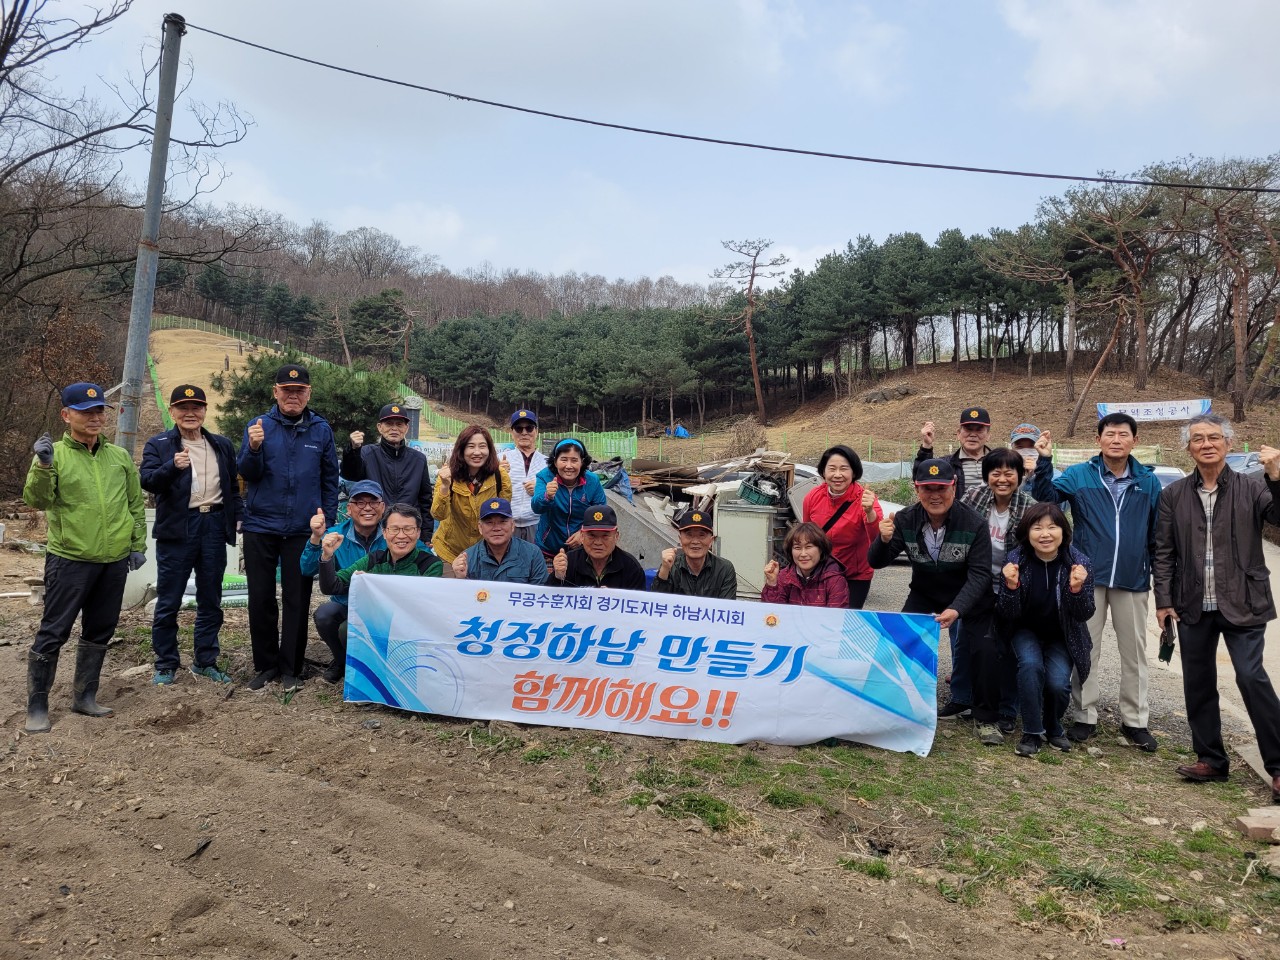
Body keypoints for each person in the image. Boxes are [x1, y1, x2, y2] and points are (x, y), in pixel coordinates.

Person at [1153, 416, 1280, 801]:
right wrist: (1163, 600)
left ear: (1227, 443)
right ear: (1188, 448)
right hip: (1192, 602)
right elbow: (1163, 552)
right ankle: (1210, 758)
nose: (1206, 444)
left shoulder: (1253, 486)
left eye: (1214, 438)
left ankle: (1277, 765)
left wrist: (1277, 477)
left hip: (1244, 598)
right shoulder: (1173, 494)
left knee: (1250, 675)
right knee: (1198, 680)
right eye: (1197, 439)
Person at [1031, 413, 1163, 750]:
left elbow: (1156, 536)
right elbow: (1046, 499)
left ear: (1134, 440)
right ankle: (1084, 714)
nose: (1116, 440)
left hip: (1132, 579)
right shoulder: (1079, 475)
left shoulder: (1148, 481)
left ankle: (1135, 720)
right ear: (1098, 440)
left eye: (1123, 434)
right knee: (1086, 647)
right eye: (1109, 434)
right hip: (1087, 576)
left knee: (1134, 652)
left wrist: (1156, 577)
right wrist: (1045, 461)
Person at [22, 382, 147, 732]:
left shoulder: (119, 457)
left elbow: (134, 505)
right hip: (70, 559)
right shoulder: (54, 454)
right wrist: (43, 466)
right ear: (66, 415)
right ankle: (37, 706)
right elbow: (37, 501)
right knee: (54, 630)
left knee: (100, 629)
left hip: (114, 561)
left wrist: (137, 545)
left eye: (98, 411)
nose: (94, 417)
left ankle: (84, 696)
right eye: (84, 411)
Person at [868, 459, 1000, 744]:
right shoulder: (904, 519)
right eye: (927, 488)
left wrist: (957, 609)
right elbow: (877, 562)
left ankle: (987, 719)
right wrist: (881, 539)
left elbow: (979, 575)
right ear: (917, 489)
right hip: (926, 592)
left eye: (941, 487)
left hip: (970, 596)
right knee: (898, 639)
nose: (935, 495)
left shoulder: (974, 523)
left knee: (986, 648)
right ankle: (894, 706)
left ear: (953, 487)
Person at [238, 363, 340, 693]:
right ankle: (266, 665)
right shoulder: (258, 426)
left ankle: (291, 666)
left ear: (308, 394)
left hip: (302, 529)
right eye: (286, 390)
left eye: (299, 391)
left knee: (297, 597)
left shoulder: (321, 430)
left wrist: (329, 521)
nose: (292, 396)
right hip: (261, 525)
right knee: (261, 597)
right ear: (275, 392)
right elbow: (246, 473)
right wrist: (253, 448)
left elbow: (329, 478)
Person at [140, 384, 242, 686]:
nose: (190, 413)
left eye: (196, 407)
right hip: (178, 529)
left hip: (213, 526)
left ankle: (205, 660)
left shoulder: (221, 444)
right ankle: (167, 663)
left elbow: (233, 488)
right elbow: (148, 482)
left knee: (211, 598)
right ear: (172, 412)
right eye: (182, 408)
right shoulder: (159, 444)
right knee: (169, 599)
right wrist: (172, 467)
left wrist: (238, 518)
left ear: (204, 411)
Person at [996, 503, 1095, 757]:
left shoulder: (1079, 563)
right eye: (1037, 528)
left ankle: (1053, 726)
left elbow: (1085, 613)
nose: (1045, 534)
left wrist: (1076, 589)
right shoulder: (1016, 560)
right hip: (1024, 629)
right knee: (1030, 666)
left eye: (1052, 527)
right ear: (1027, 533)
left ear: (1063, 531)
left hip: (1062, 634)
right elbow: (1008, 613)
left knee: (1058, 683)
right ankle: (1031, 732)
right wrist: (1010, 586)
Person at [946, 448, 1037, 727]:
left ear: (1020, 475)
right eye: (995, 472)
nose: (1002, 478)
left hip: (1012, 587)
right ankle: (961, 696)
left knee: (1005, 645)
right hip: (976, 583)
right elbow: (953, 526)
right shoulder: (974, 497)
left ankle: (1008, 706)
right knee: (962, 640)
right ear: (987, 476)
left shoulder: (1029, 507)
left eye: (1009, 472)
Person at [300, 479, 388, 683]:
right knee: (325, 615)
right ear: (348, 508)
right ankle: (342, 661)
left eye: (373, 502)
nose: (367, 508)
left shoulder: (393, 533)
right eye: (359, 502)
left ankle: (377, 665)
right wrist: (315, 539)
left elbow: (420, 553)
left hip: (383, 608)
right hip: (347, 605)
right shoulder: (334, 534)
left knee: (348, 630)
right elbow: (306, 569)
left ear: (382, 507)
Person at [801, 445, 882, 608]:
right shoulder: (813, 497)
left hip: (854, 576)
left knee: (846, 621)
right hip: (820, 572)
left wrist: (870, 512)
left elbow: (878, 538)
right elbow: (806, 536)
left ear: (854, 472)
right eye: (832, 469)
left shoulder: (865, 499)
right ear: (823, 472)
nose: (837, 475)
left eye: (844, 469)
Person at [340, 402, 434, 535]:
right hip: (375, 528)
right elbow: (350, 474)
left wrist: (426, 535)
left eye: (399, 424)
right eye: (389, 424)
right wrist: (353, 450)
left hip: (407, 529)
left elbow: (425, 500)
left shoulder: (418, 459)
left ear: (406, 428)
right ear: (380, 427)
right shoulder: (367, 453)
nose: (394, 428)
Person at [320, 504, 444, 595]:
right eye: (394, 529)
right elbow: (331, 587)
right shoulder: (373, 559)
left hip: (413, 626)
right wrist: (326, 556)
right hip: (376, 622)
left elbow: (425, 602)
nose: (401, 535)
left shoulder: (431, 564)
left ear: (418, 533)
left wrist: (374, 583)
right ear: (384, 533)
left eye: (408, 529)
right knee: (337, 624)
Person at [431, 424, 511, 564]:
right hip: (450, 552)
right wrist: (445, 486)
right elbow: (438, 514)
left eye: (482, 446)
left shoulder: (500, 475)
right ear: (461, 450)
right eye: (471, 446)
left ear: (489, 449)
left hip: (486, 553)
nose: (477, 452)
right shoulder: (448, 475)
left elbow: (503, 512)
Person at [532, 437, 607, 556]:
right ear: (555, 461)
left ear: (582, 462)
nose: (569, 466)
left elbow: (601, 512)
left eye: (574, 460)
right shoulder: (544, 477)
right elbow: (536, 507)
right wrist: (547, 496)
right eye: (564, 460)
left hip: (582, 548)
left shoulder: (592, 481)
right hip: (548, 549)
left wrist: (583, 533)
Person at [452, 497, 549, 585]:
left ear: (512, 525)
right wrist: (460, 579)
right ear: (480, 528)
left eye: (502, 522)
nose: (496, 528)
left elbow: (540, 593)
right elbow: (463, 598)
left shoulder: (532, 553)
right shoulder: (467, 558)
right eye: (489, 523)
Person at [551, 504, 646, 589]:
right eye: (592, 535)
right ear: (582, 536)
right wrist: (557, 577)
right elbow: (547, 601)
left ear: (616, 536)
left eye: (605, 536)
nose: (598, 542)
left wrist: (615, 598)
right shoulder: (569, 562)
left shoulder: (631, 568)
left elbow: (638, 605)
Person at [651, 508, 737, 599]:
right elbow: (656, 604)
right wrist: (664, 570)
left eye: (701, 535)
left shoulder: (724, 569)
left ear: (711, 541)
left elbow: (727, 608)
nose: (695, 541)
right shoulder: (671, 565)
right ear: (680, 539)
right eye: (689, 535)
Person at [761, 522, 850, 608]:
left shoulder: (835, 581)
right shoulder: (784, 576)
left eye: (808, 547)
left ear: (821, 549)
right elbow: (772, 614)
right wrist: (772, 583)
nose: (803, 554)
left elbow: (836, 618)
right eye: (797, 548)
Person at [916, 406, 994, 500]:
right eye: (968, 429)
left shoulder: (1000, 462)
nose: (973, 435)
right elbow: (920, 478)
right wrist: (926, 446)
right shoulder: (947, 464)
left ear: (988, 435)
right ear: (958, 434)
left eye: (979, 430)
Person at [500, 409, 548, 544]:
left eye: (529, 428)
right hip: (507, 522)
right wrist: (497, 474)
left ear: (536, 431)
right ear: (511, 432)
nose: (524, 432)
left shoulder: (548, 463)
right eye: (518, 428)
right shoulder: (500, 460)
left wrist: (539, 490)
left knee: (535, 562)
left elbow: (556, 494)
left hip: (536, 523)